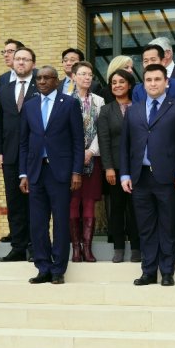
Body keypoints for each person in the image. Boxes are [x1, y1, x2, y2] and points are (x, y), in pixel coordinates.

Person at [120, 64, 175, 287]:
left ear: (166, 82)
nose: (153, 83)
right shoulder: (134, 109)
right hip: (139, 178)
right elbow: (125, 145)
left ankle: (167, 271)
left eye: (157, 79)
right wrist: (124, 175)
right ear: (144, 83)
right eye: (149, 80)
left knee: (168, 226)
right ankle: (148, 271)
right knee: (146, 227)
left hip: (168, 178)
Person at [19, 65, 84, 285]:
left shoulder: (69, 104)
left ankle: (58, 269)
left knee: (60, 222)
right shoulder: (29, 106)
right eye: (39, 78)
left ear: (56, 81)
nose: (43, 81)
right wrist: (23, 174)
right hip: (36, 172)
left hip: (61, 172)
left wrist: (76, 171)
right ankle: (43, 267)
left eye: (47, 78)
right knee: (37, 223)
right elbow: (24, 143)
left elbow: (78, 141)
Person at [0, 47, 39, 262]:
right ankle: (18, 247)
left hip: (35, 153)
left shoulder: (42, 86)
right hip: (10, 154)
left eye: (25, 60)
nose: (21, 63)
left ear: (33, 64)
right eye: (18, 59)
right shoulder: (5, 89)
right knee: (14, 203)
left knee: (34, 202)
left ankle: (34, 246)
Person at [97, 69, 141, 263]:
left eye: (121, 82)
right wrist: (108, 168)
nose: (117, 85)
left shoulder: (140, 107)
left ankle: (137, 248)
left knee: (137, 209)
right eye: (113, 82)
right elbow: (104, 141)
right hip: (114, 168)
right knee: (116, 208)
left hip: (138, 168)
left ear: (129, 84)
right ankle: (118, 248)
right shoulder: (106, 110)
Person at [69, 61, 105, 263]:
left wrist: (91, 151)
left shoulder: (99, 101)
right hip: (71, 162)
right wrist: (77, 153)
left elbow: (103, 130)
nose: (87, 78)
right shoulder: (65, 100)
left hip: (93, 159)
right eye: (82, 74)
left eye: (90, 74)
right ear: (73, 77)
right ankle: (75, 249)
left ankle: (87, 248)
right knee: (73, 202)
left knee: (89, 202)